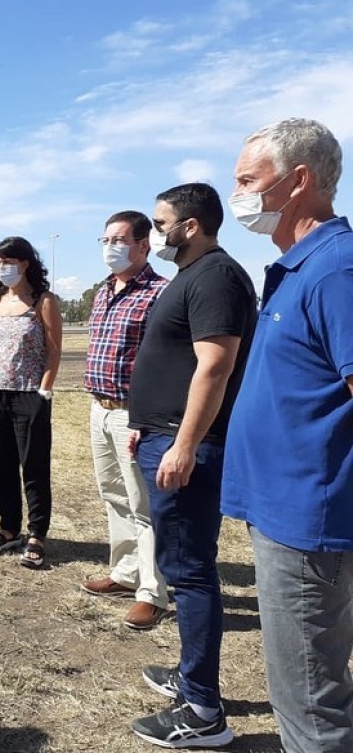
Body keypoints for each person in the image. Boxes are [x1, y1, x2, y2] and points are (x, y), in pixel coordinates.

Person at [222, 118, 353, 753]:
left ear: (298, 180)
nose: (237, 194)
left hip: (310, 521)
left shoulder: (334, 270)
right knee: (303, 688)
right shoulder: (295, 267)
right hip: (284, 512)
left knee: (310, 701)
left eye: (248, 180)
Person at [127, 183, 256, 749]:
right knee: (181, 564)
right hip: (163, 436)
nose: (156, 233)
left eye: (161, 224)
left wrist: (181, 444)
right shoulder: (190, 277)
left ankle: (203, 710)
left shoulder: (216, 278)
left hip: (190, 449)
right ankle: (189, 673)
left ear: (192, 224)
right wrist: (146, 419)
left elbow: (214, 367)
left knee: (191, 572)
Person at [81, 211, 170, 630]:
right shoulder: (103, 292)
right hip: (99, 408)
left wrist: (144, 417)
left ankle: (152, 591)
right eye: (104, 239)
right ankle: (124, 572)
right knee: (114, 495)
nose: (109, 247)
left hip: (133, 415)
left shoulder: (158, 293)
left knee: (144, 504)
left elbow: (162, 363)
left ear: (142, 245)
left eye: (118, 239)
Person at [0, 237, 61, 569]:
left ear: (25, 263)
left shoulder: (43, 301)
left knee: (34, 466)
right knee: (1, 465)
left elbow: (54, 350)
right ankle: (8, 528)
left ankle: (36, 534)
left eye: (7, 262)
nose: (2, 268)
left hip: (29, 395)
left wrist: (44, 391)